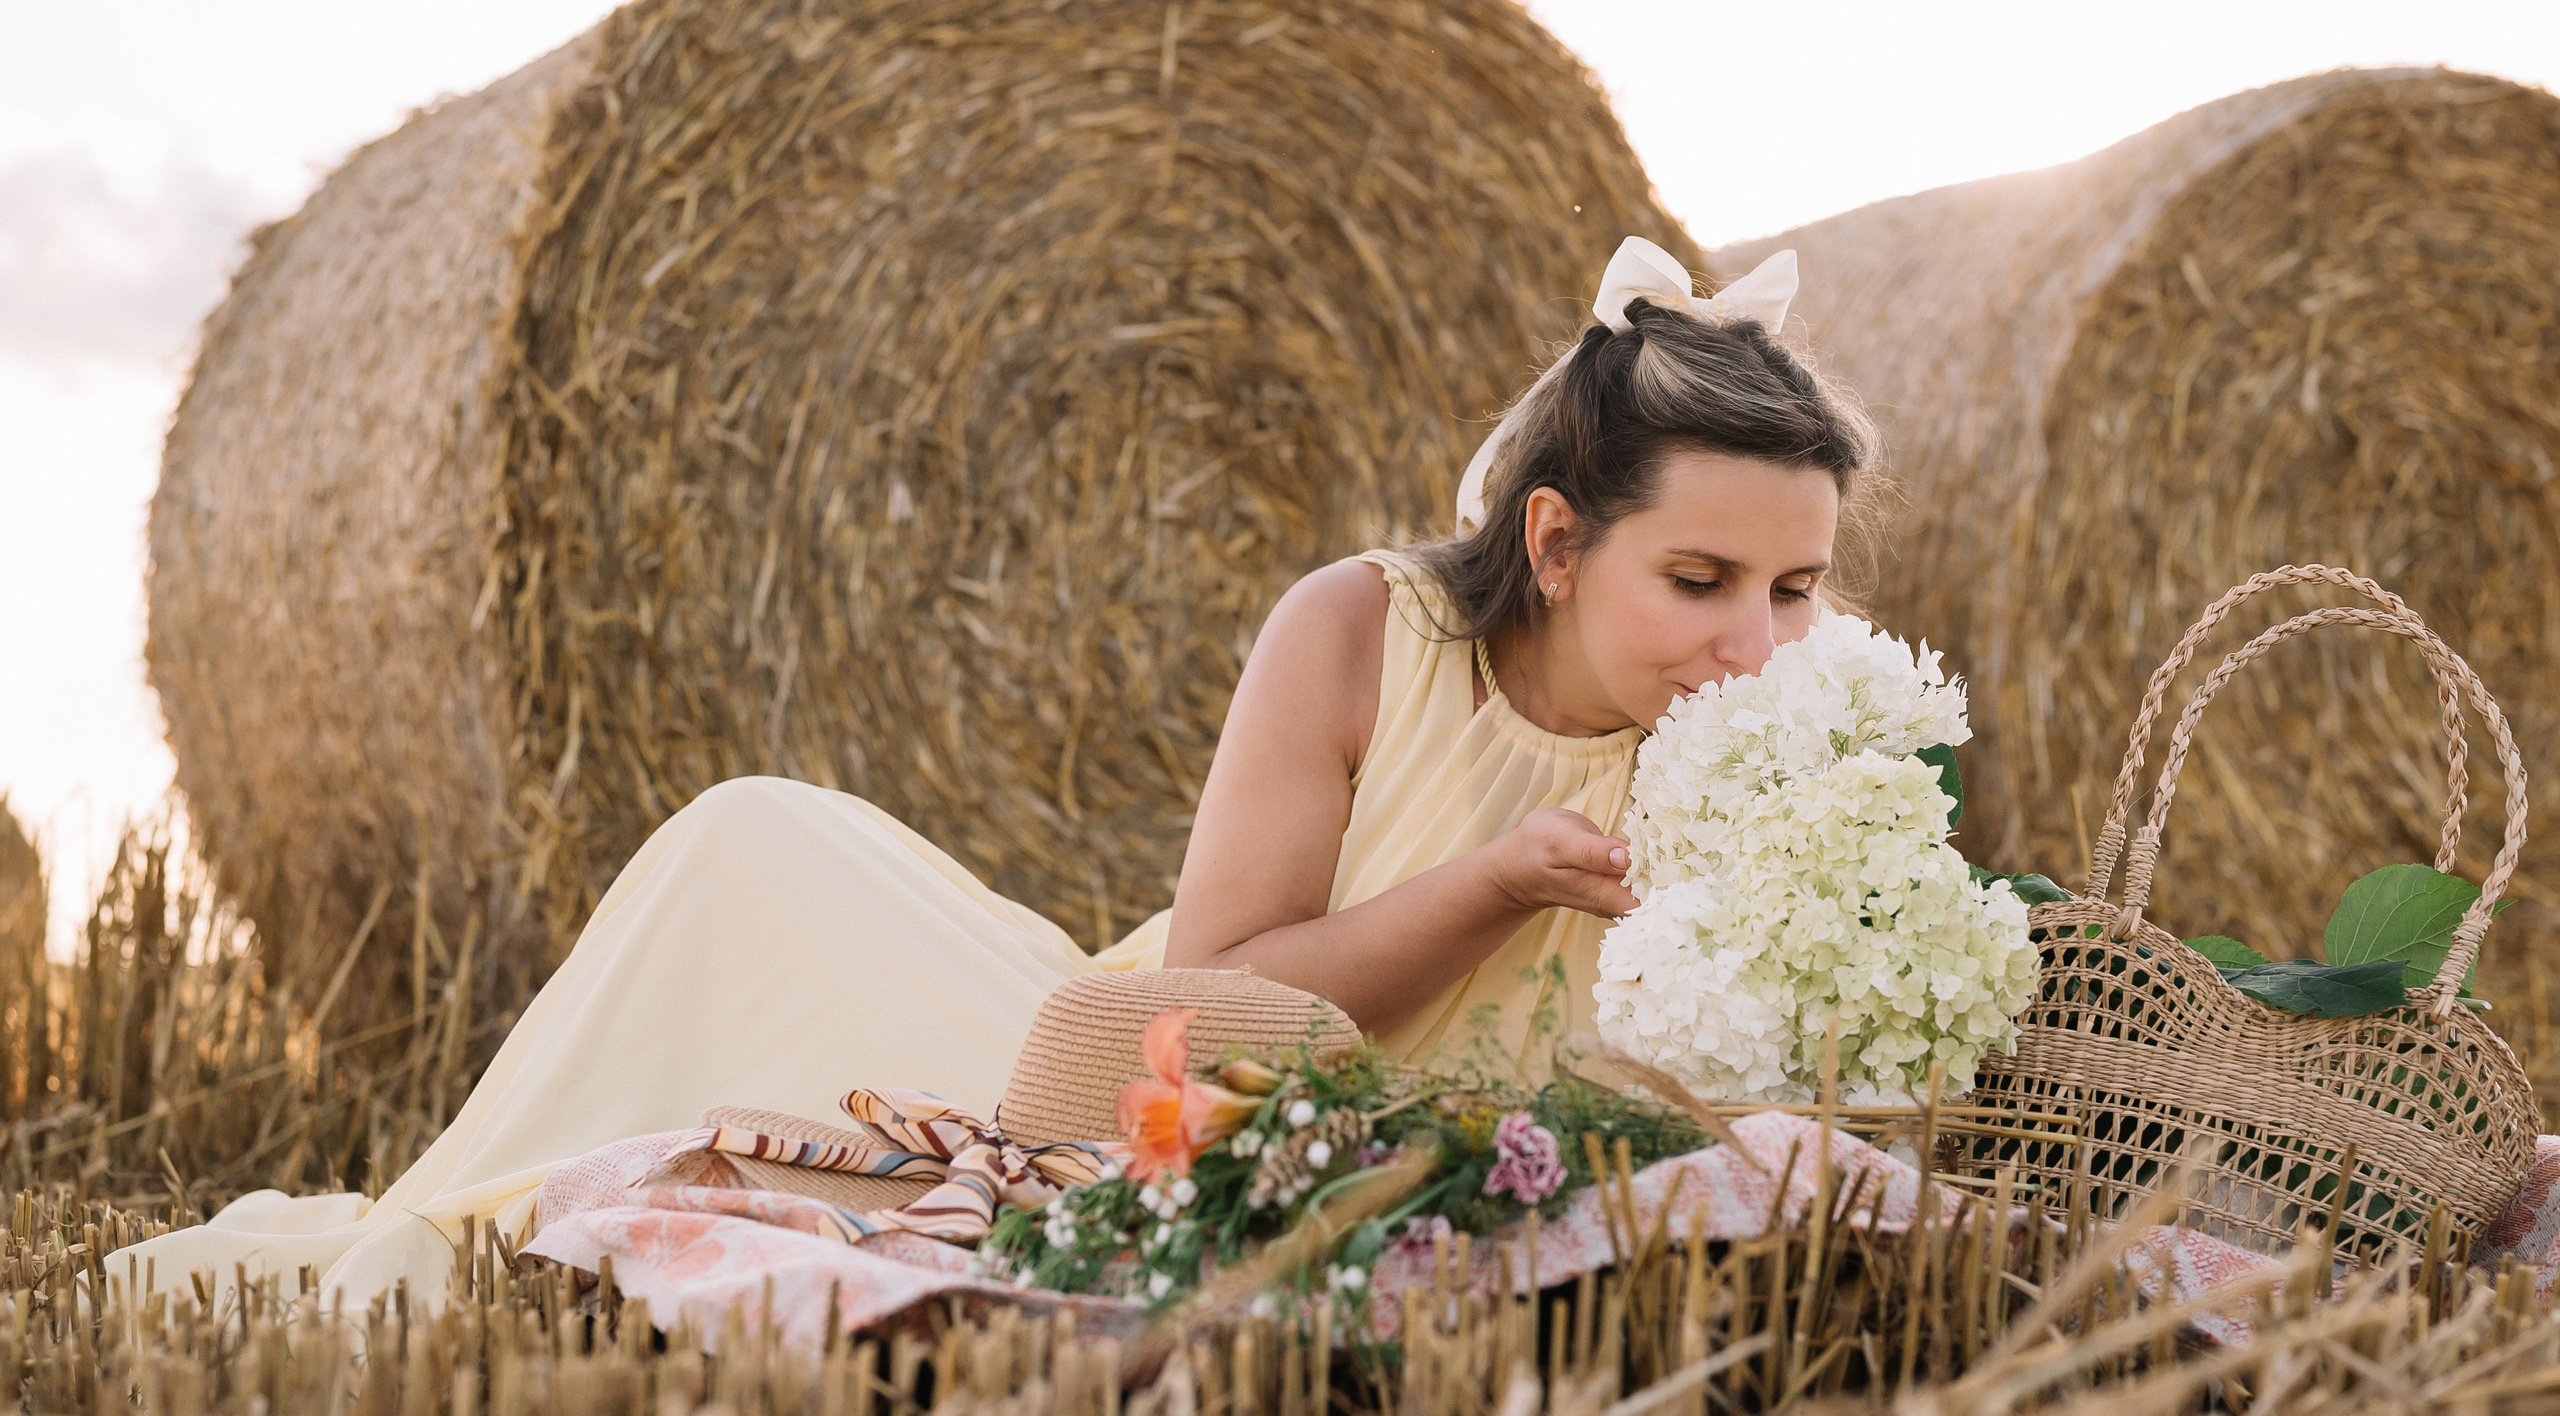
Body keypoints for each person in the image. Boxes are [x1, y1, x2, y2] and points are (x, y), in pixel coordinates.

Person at [121, 238, 1878, 1307]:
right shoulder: (1360, 632)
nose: (1758, 641)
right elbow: (1210, 1001)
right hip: (1136, 1105)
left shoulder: (1790, 733)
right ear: (1559, 542)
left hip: (1456, 1174)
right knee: (756, 843)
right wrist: (1490, 883)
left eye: (1795, 588)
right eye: (1701, 582)